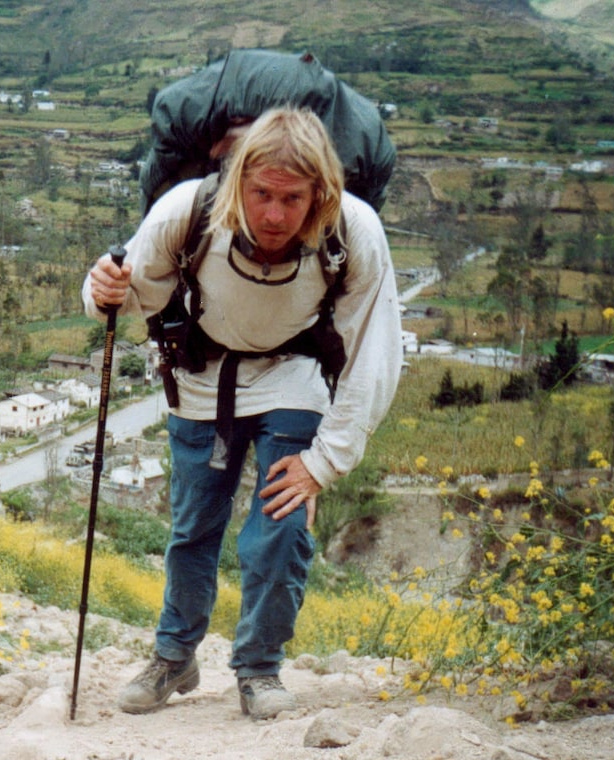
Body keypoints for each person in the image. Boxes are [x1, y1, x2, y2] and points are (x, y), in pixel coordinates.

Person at [82, 107, 402, 720]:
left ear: (321, 195)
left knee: (281, 526)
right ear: (238, 184)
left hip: (294, 375)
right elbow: (127, 294)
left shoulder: (352, 229)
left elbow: (376, 350)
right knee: (192, 529)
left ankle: (259, 668)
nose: (276, 215)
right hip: (201, 378)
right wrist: (102, 290)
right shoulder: (187, 210)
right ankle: (175, 657)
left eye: (293, 199)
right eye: (261, 195)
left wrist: (325, 461)